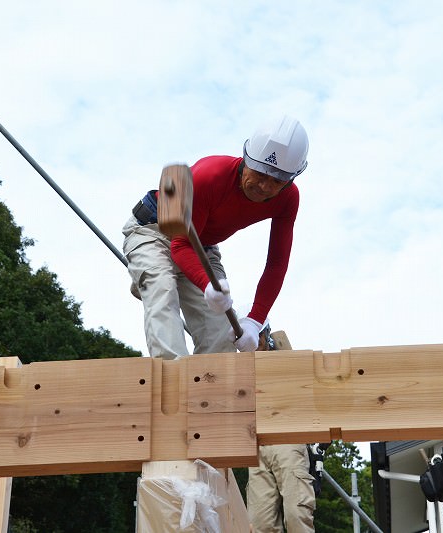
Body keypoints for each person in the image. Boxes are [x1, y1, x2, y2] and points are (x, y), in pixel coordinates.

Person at [122, 115, 309, 358]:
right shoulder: (209, 175)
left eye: (276, 181)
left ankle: (211, 388)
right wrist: (206, 283)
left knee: (221, 335)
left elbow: (276, 264)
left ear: (291, 179)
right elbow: (180, 244)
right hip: (156, 231)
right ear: (246, 159)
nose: (264, 186)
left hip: (201, 247)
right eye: (260, 174)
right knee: (162, 289)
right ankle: (172, 376)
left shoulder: (288, 199)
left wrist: (255, 319)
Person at [246, 323, 320, 533]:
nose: (254, 342)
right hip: (257, 446)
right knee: (260, 524)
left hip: (287, 438)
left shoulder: (283, 356)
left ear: (266, 334)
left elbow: (305, 387)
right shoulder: (241, 364)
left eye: (258, 336)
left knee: (297, 514)